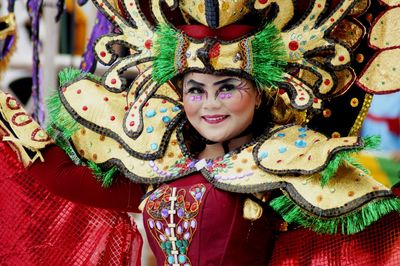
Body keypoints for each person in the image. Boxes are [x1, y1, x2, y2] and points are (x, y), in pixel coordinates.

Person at [2, 0, 400, 265]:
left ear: (260, 95)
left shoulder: (287, 164)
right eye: (196, 89)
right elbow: (56, 178)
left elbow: (375, 230)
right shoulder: (160, 164)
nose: (209, 105)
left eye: (227, 87)